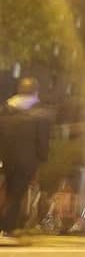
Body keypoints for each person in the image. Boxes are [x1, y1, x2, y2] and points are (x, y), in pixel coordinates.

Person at [0, 77, 52, 244]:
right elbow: (42, 142)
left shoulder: (6, 110)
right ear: (35, 91)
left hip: (7, 159)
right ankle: (7, 229)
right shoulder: (40, 115)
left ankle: (8, 227)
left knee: (8, 192)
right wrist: (42, 159)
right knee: (16, 194)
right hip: (26, 162)